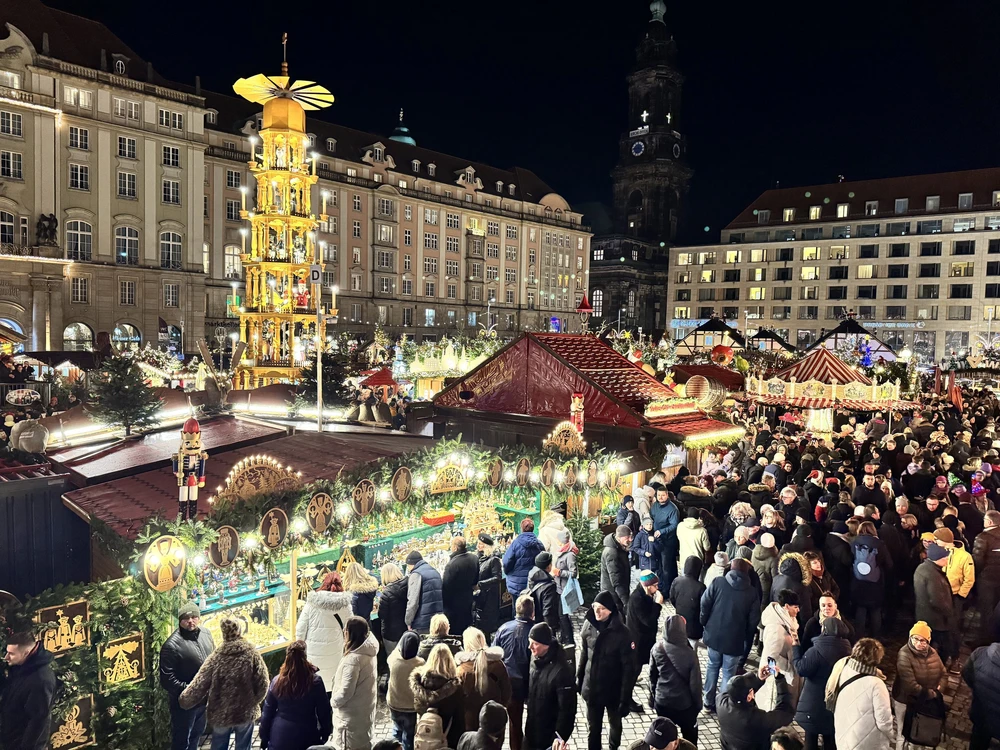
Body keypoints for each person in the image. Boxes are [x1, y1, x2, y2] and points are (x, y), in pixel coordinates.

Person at [179, 617, 269, 750]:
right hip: (245, 711)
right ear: (239, 630)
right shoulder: (252, 653)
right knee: (244, 746)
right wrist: (253, 701)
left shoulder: (216, 657)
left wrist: (185, 700)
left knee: (219, 744)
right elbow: (263, 682)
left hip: (220, 713)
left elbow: (200, 682)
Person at [577, 591, 637, 750]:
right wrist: (579, 677)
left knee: (615, 725)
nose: (597, 611)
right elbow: (584, 652)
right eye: (595, 607)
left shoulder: (623, 634)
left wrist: (625, 698)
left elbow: (628, 669)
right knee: (593, 728)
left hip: (613, 692)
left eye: (602, 608)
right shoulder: (588, 624)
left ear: (610, 610)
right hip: (592, 689)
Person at [701, 557, 762, 713]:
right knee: (729, 672)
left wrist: (705, 621)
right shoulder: (752, 592)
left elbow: (704, 603)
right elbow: (753, 619)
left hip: (714, 635)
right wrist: (746, 636)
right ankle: (723, 707)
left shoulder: (718, 582)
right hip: (734, 640)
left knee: (712, 666)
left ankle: (708, 703)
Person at [160, 602, 216, 750]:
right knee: (182, 740)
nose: (191, 621)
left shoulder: (206, 633)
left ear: (199, 618)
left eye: (194, 617)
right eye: (186, 618)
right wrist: (192, 690)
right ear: (180, 621)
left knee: (197, 734)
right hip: (184, 705)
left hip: (203, 701)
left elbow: (213, 658)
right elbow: (167, 680)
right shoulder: (171, 646)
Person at [258, 640, 332, 750]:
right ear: (305, 657)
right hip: (307, 737)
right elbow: (324, 712)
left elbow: (267, 714)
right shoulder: (315, 682)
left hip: (279, 737)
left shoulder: (277, 681)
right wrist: (325, 734)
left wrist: (264, 738)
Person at [794, 617, 852, 750]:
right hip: (835, 703)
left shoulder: (815, 651)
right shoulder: (847, 650)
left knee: (810, 741)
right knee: (830, 740)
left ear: (824, 630)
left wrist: (795, 647)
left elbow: (801, 669)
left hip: (813, 703)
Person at [828, 638, 893, 750]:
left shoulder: (844, 668)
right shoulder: (876, 684)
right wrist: (892, 736)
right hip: (868, 743)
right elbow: (883, 720)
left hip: (844, 735)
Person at [648, 615, 702, 744]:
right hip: (684, 705)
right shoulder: (690, 654)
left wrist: (653, 698)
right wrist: (697, 706)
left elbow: (652, 677)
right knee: (690, 737)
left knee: (663, 739)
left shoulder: (657, 648)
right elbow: (695, 684)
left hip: (663, 702)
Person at [296, 572, 353, 693]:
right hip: (335, 651)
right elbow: (351, 629)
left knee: (314, 684)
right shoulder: (345, 605)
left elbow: (300, 629)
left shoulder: (312, 604)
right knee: (331, 683)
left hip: (313, 653)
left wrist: (300, 650)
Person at [892, 621, 945, 750]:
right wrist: (931, 694)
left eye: (923, 640)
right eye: (916, 639)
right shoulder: (904, 654)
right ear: (910, 637)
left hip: (922, 701)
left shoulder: (933, 653)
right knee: (902, 734)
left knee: (918, 734)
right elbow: (909, 684)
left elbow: (943, 673)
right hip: (905, 700)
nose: (919, 643)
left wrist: (940, 688)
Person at [717, 664, 795, 750]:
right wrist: (779, 679)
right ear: (749, 696)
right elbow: (786, 713)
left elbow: (739, 692)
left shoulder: (720, 701)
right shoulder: (757, 719)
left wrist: (759, 679)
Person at [524, 623, 576, 750]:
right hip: (532, 730)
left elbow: (567, 709)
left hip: (548, 737)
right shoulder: (535, 657)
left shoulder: (561, 671)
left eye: (535, 643)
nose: (530, 647)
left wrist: (559, 736)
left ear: (546, 645)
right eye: (530, 642)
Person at [0, 630, 56, 750]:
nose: (6, 657)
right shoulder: (21, 666)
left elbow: (38, 721)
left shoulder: (41, 681)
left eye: (11, 654)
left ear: (26, 653)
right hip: (10, 737)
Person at [330, 616, 380, 750]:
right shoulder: (369, 651)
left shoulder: (353, 660)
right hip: (363, 711)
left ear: (350, 633)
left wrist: (334, 701)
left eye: (345, 630)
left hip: (350, 719)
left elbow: (346, 691)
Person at [493, 596, 534, 750]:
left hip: (507, 683)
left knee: (509, 722)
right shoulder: (535, 631)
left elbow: (494, 654)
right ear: (532, 612)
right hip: (528, 684)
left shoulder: (503, 629)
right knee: (524, 723)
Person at [410, 643, 466, 750]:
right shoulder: (455, 687)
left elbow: (418, 708)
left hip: (426, 736)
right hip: (448, 738)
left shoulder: (420, 683)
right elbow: (459, 720)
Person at [456, 626, 511, 730]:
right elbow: (506, 693)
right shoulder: (498, 665)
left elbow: (458, 700)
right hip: (494, 719)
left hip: (469, 722)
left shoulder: (462, 670)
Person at [756, 589, 801, 710]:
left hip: (782, 674)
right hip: (779, 676)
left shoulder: (786, 621)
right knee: (775, 703)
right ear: (786, 606)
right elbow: (770, 657)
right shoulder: (776, 629)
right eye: (795, 607)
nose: (798, 610)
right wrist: (786, 667)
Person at [850, 521, 891, 637]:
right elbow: (889, 564)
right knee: (875, 610)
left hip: (858, 582)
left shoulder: (854, 542)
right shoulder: (879, 544)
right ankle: (875, 638)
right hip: (875, 583)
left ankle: (859, 637)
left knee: (860, 609)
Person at [914, 543, 953, 655]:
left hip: (924, 615)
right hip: (936, 620)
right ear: (937, 558)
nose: (947, 559)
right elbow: (937, 600)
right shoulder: (933, 575)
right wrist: (950, 613)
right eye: (945, 557)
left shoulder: (922, 568)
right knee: (942, 647)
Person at [387, 632, 424, 750]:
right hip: (410, 707)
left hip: (394, 704)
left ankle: (395, 745)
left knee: (397, 728)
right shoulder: (420, 663)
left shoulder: (393, 659)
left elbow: (397, 649)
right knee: (409, 734)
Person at [962, 639, 1000, 750]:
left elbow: (966, 673)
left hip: (981, 715)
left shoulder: (981, 653)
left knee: (978, 743)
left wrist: (978, 690)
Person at [443, 536, 480, 635]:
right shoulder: (474, 558)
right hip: (468, 598)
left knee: (456, 629)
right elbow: (476, 580)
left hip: (453, 604)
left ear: (455, 548)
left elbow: (446, 587)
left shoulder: (452, 565)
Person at [973, 509, 1000, 644]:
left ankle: (984, 642)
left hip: (987, 581)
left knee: (986, 611)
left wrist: (975, 576)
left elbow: (977, 561)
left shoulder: (982, 538)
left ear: (989, 522)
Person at [503, 519, 546, 599]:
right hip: (534, 584)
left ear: (521, 529)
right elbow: (544, 562)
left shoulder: (515, 544)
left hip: (517, 585)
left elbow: (506, 562)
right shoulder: (539, 544)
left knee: (518, 608)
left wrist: (509, 573)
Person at [669, 556, 706, 647]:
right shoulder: (701, 587)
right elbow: (703, 607)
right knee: (692, 652)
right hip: (694, 627)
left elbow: (672, 598)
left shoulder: (677, 581)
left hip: (679, 622)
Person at [405, 550, 444, 634]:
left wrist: (408, 621)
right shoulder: (435, 571)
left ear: (410, 564)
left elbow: (412, 601)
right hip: (438, 619)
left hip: (422, 622)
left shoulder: (416, 574)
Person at [651, 484, 682, 588]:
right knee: (659, 564)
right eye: (658, 495)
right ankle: (660, 584)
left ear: (667, 495)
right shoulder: (655, 505)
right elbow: (652, 517)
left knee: (667, 566)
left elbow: (674, 524)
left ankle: (668, 588)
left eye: (663, 495)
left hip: (668, 541)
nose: (660, 497)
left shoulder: (672, 509)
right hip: (657, 540)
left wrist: (662, 531)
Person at [475, 532, 504, 639]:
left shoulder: (493, 560)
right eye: (478, 543)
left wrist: (480, 585)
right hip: (480, 596)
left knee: (487, 624)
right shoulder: (478, 558)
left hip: (490, 597)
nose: (478, 546)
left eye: (481, 544)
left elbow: (497, 577)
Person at [552, 528, 578, 644]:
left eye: (558, 540)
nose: (556, 541)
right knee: (561, 615)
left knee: (563, 616)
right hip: (559, 588)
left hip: (564, 590)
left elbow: (573, 573)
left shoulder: (570, 555)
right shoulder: (562, 551)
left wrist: (559, 572)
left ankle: (569, 640)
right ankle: (564, 637)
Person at [601, 524, 634, 615]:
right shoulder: (612, 553)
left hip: (617, 593)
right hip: (613, 596)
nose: (630, 540)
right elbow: (616, 580)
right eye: (628, 537)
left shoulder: (619, 547)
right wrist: (626, 602)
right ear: (619, 538)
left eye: (631, 537)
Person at [525, 551, 561, 633]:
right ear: (548, 566)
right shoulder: (549, 586)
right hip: (543, 623)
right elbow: (548, 611)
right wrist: (550, 631)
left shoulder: (532, 575)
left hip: (533, 619)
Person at [379, 564, 409, 657]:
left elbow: (382, 615)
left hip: (391, 633)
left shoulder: (386, 593)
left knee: (392, 659)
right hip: (407, 628)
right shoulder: (409, 584)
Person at [627, 717, 697, 750]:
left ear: (675, 744)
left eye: (661, 747)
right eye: (652, 744)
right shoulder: (635, 748)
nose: (654, 749)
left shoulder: (689, 749)